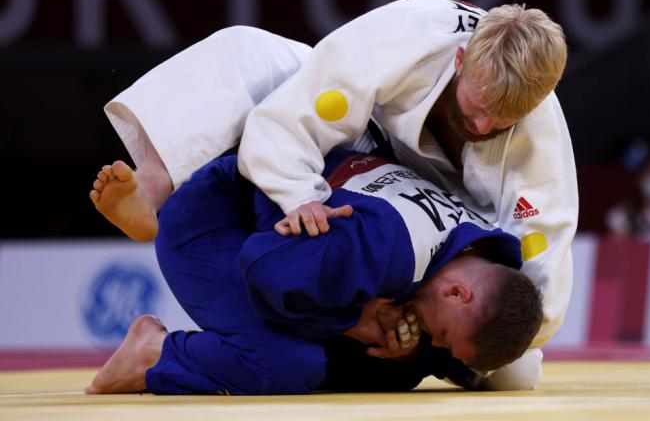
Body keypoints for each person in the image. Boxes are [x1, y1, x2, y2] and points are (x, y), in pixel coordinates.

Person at [91, 0, 577, 389]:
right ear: (459, 59)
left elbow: (539, 269)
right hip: (359, 146)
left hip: (449, 227)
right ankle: (156, 184)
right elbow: (290, 118)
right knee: (248, 49)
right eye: (477, 107)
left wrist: (435, 330)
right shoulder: (409, 31)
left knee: (512, 371)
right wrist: (301, 196)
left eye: (502, 121)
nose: (483, 125)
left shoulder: (540, 139)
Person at [86, 148, 542, 395]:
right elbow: (264, 267)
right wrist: (356, 321)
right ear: (458, 294)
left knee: (395, 365)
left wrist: (407, 351)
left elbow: (453, 343)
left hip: (295, 216)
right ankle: (156, 355)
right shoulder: (382, 249)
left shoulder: (486, 244)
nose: (435, 341)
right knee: (290, 367)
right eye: (442, 332)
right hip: (215, 220)